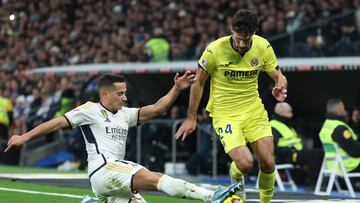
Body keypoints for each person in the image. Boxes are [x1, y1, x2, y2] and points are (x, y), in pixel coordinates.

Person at [5, 73, 241, 203]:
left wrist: (177, 89)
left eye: (125, 93)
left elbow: (158, 108)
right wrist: (24, 137)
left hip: (111, 179)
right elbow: (56, 123)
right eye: (120, 93)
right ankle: (211, 197)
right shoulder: (89, 110)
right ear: (105, 94)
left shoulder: (125, 115)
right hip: (104, 169)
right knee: (156, 178)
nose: (125, 98)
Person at [175, 9, 288, 203]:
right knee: (245, 164)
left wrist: (280, 85)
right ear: (231, 30)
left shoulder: (263, 46)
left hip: (253, 109)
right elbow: (199, 82)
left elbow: (279, 75)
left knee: (268, 162)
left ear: (254, 33)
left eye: (247, 40)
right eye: (238, 39)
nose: (242, 44)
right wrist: (191, 117)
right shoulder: (214, 49)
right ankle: (236, 178)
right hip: (225, 112)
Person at [270, 102, 324, 187]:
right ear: (281, 113)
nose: (291, 115)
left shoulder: (287, 124)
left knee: (320, 152)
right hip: (284, 156)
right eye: (289, 112)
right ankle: (312, 184)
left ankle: (319, 182)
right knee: (314, 154)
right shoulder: (273, 126)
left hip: (296, 153)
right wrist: (288, 150)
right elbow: (272, 149)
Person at [318, 99, 360, 173]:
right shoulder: (339, 128)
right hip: (349, 166)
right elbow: (355, 151)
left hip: (333, 166)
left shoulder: (327, 125)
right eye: (343, 108)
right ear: (339, 110)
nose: (345, 111)